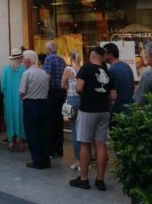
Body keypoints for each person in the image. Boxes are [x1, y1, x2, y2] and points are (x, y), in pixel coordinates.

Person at [70, 47, 116, 191]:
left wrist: (88, 93)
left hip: (88, 110)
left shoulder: (85, 69)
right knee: (101, 144)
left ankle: (84, 179)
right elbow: (113, 96)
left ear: (93, 56)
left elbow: (78, 88)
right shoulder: (108, 72)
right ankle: (100, 180)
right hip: (104, 110)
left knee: (84, 143)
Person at [20, 50, 50, 169]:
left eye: (23, 60)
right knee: (44, 133)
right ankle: (46, 160)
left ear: (27, 61)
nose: (23, 62)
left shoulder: (27, 74)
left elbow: (22, 92)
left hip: (31, 104)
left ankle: (37, 160)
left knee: (32, 133)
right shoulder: (43, 73)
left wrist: (24, 99)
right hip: (43, 103)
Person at [43, 41, 66, 158]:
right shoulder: (62, 60)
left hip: (51, 92)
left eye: (45, 48)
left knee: (50, 121)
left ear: (48, 49)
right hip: (61, 92)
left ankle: (51, 150)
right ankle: (59, 149)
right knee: (59, 120)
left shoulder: (48, 59)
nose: (44, 50)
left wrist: (44, 91)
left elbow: (47, 76)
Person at [1, 48, 27, 152]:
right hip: (21, 98)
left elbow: (2, 86)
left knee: (10, 118)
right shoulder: (23, 68)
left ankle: (11, 141)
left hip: (9, 99)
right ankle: (20, 141)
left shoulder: (5, 69)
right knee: (20, 118)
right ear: (19, 58)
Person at [104, 42, 135, 124]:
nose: (102, 56)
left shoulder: (112, 70)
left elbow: (112, 95)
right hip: (129, 108)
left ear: (110, 55)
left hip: (118, 110)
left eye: (104, 53)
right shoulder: (126, 66)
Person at [61, 50, 82, 170]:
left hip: (72, 100)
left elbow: (62, 85)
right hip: (82, 100)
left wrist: (69, 87)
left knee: (74, 130)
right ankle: (85, 159)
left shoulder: (68, 70)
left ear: (71, 58)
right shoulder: (82, 69)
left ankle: (78, 160)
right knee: (83, 131)